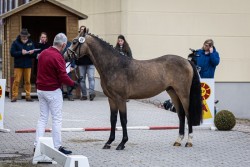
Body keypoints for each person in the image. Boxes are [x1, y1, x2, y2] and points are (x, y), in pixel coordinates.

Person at [34, 33, 78, 155]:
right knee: (57, 119)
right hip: (52, 91)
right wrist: (73, 84)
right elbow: (63, 76)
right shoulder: (58, 57)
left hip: (40, 90)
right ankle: (57, 146)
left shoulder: (43, 53)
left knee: (42, 118)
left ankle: (36, 145)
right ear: (63, 44)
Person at [10, 28, 36, 102]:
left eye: (26, 36)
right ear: (20, 36)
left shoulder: (30, 42)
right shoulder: (15, 43)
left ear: (27, 36)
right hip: (18, 65)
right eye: (23, 36)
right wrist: (21, 53)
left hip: (28, 65)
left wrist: (32, 53)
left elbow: (34, 54)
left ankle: (28, 96)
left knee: (27, 81)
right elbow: (12, 53)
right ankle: (14, 96)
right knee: (16, 81)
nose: (25, 37)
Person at [76, 26, 96, 101]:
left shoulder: (90, 39)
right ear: (79, 31)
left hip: (90, 62)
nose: (82, 31)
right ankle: (84, 95)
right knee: (82, 79)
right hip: (81, 63)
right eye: (81, 30)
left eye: (84, 30)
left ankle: (91, 94)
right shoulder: (77, 39)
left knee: (91, 78)